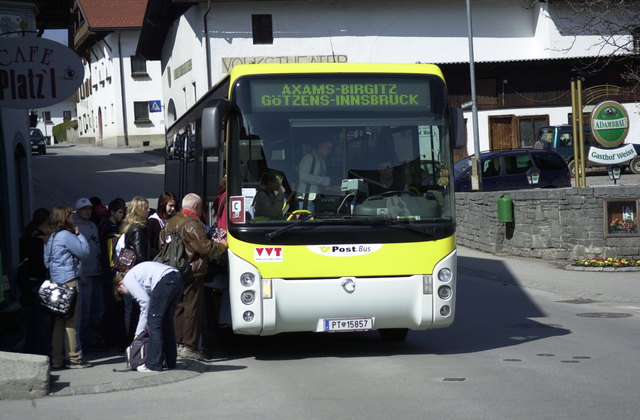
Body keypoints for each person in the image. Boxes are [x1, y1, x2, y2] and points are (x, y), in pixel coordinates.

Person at [162, 193, 227, 360]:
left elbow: (161, 244)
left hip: (172, 270)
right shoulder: (192, 224)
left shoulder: (170, 222)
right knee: (192, 309)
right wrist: (222, 245)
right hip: (193, 271)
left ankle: (177, 343)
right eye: (201, 207)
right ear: (196, 207)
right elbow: (206, 248)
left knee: (178, 308)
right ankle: (189, 347)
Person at [43, 206, 92, 369]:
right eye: (71, 216)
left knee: (58, 322)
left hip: (55, 282)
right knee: (72, 321)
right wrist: (79, 236)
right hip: (69, 281)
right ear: (65, 218)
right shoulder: (65, 235)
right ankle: (74, 358)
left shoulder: (50, 237)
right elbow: (84, 252)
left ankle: (57, 359)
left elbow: (47, 262)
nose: (73, 219)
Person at [115, 261, 182, 372]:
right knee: (166, 322)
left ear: (121, 284)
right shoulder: (138, 275)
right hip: (176, 277)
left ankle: (153, 364)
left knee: (154, 322)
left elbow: (146, 303)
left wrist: (138, 333)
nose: (127, 294)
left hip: (165, 280)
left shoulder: (128, 279)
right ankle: (171, 362)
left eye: (122, 292)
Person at [18, 208, 53, 356]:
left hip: (32, 283)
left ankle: (32, 349)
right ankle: (44, 351)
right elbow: (40, 263)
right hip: (39, 282)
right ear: (46, 222)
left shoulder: (29, 235)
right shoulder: (38, 240)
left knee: (35, 321)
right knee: (44, 321)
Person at [73, 197, 105, 352]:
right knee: (84, 311)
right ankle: (83, 340)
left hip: (97, 271)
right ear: (78, 211)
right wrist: (80, 274)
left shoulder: (93, 225)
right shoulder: (74, 227)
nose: (88, 211)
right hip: (85, 274)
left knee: (98, 308)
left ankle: (93, 337)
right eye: (84, 209)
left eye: (90, 209)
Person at [120, 196, 151, 344]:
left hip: (128, 272)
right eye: (145, 208)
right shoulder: (139, 229)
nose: (148, 210)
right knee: (136, 309)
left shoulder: (129, 227)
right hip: (137, 274)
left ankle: (127, 340)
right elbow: (140, 255)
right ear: (139, 210)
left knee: (129, 309)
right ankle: (133, 341)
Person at [98, 198, 127, 349]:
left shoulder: (115, 226)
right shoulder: (108, 228)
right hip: (109, 271)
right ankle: (106, 337)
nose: (122, 215)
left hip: (114, 270)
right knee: (110, 306)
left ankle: (113, 336)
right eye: (120, 212)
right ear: (112, 212)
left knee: (116, 306)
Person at [297, 138, 333, 211]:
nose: (330, 151)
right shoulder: (308, 158)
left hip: (315, 197)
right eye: (328, 147)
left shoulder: (322, 160)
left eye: (331, 148)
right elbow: (303, 176)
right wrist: (325, 181)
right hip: (306, 198)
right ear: (320, 145)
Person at [147, 191, 178, 259]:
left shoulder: (174, 220)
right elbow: (148, 247)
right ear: (163, 204)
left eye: (174, 206)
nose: (173, 209)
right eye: (170, 205)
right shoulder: (152, 222)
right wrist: (162, 255)